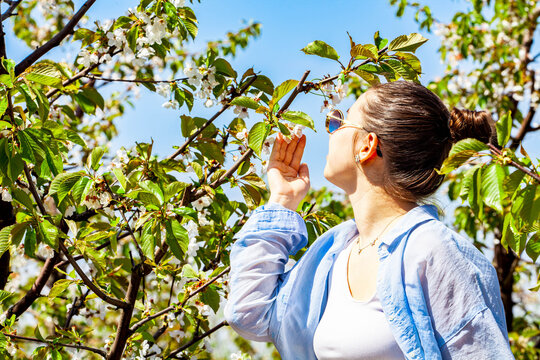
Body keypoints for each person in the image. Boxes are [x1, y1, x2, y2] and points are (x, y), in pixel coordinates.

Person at [224, 80, 514, 359]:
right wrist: (283, 201)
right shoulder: (331, 254)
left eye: (339, 122)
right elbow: (250, 314)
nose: (330, 131)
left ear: (366, 146)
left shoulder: (434, 252)